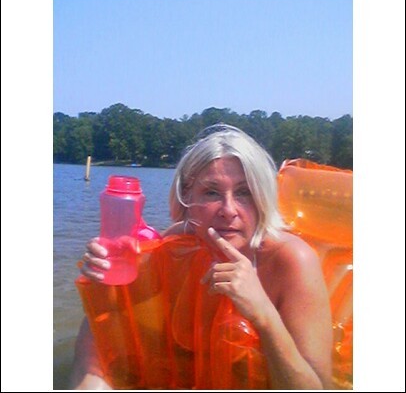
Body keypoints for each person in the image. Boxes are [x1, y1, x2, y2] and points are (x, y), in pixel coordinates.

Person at [71, 124, 333, 390]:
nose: (229, 210)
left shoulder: (291, 260)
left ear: (262, 197)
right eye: (211, 192)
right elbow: (111, 329)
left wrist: (263, 314)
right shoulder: (177, 246)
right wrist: (108, 280)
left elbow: (317, 387)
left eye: (244, 193)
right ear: (187, 197)